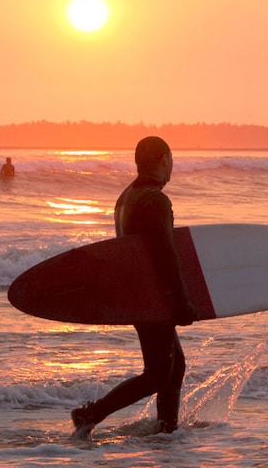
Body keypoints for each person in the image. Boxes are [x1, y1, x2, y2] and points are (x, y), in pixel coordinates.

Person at [72, 136, 198, 437]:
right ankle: (91, 413)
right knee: (157, 374)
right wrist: (182, 300)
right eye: (172, 158)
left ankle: (167, 430)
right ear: (164, 159)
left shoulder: (127, 195)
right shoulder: (154, 200)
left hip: (139, 296)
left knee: (174, 366)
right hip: (153, 298)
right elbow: (167, 255)